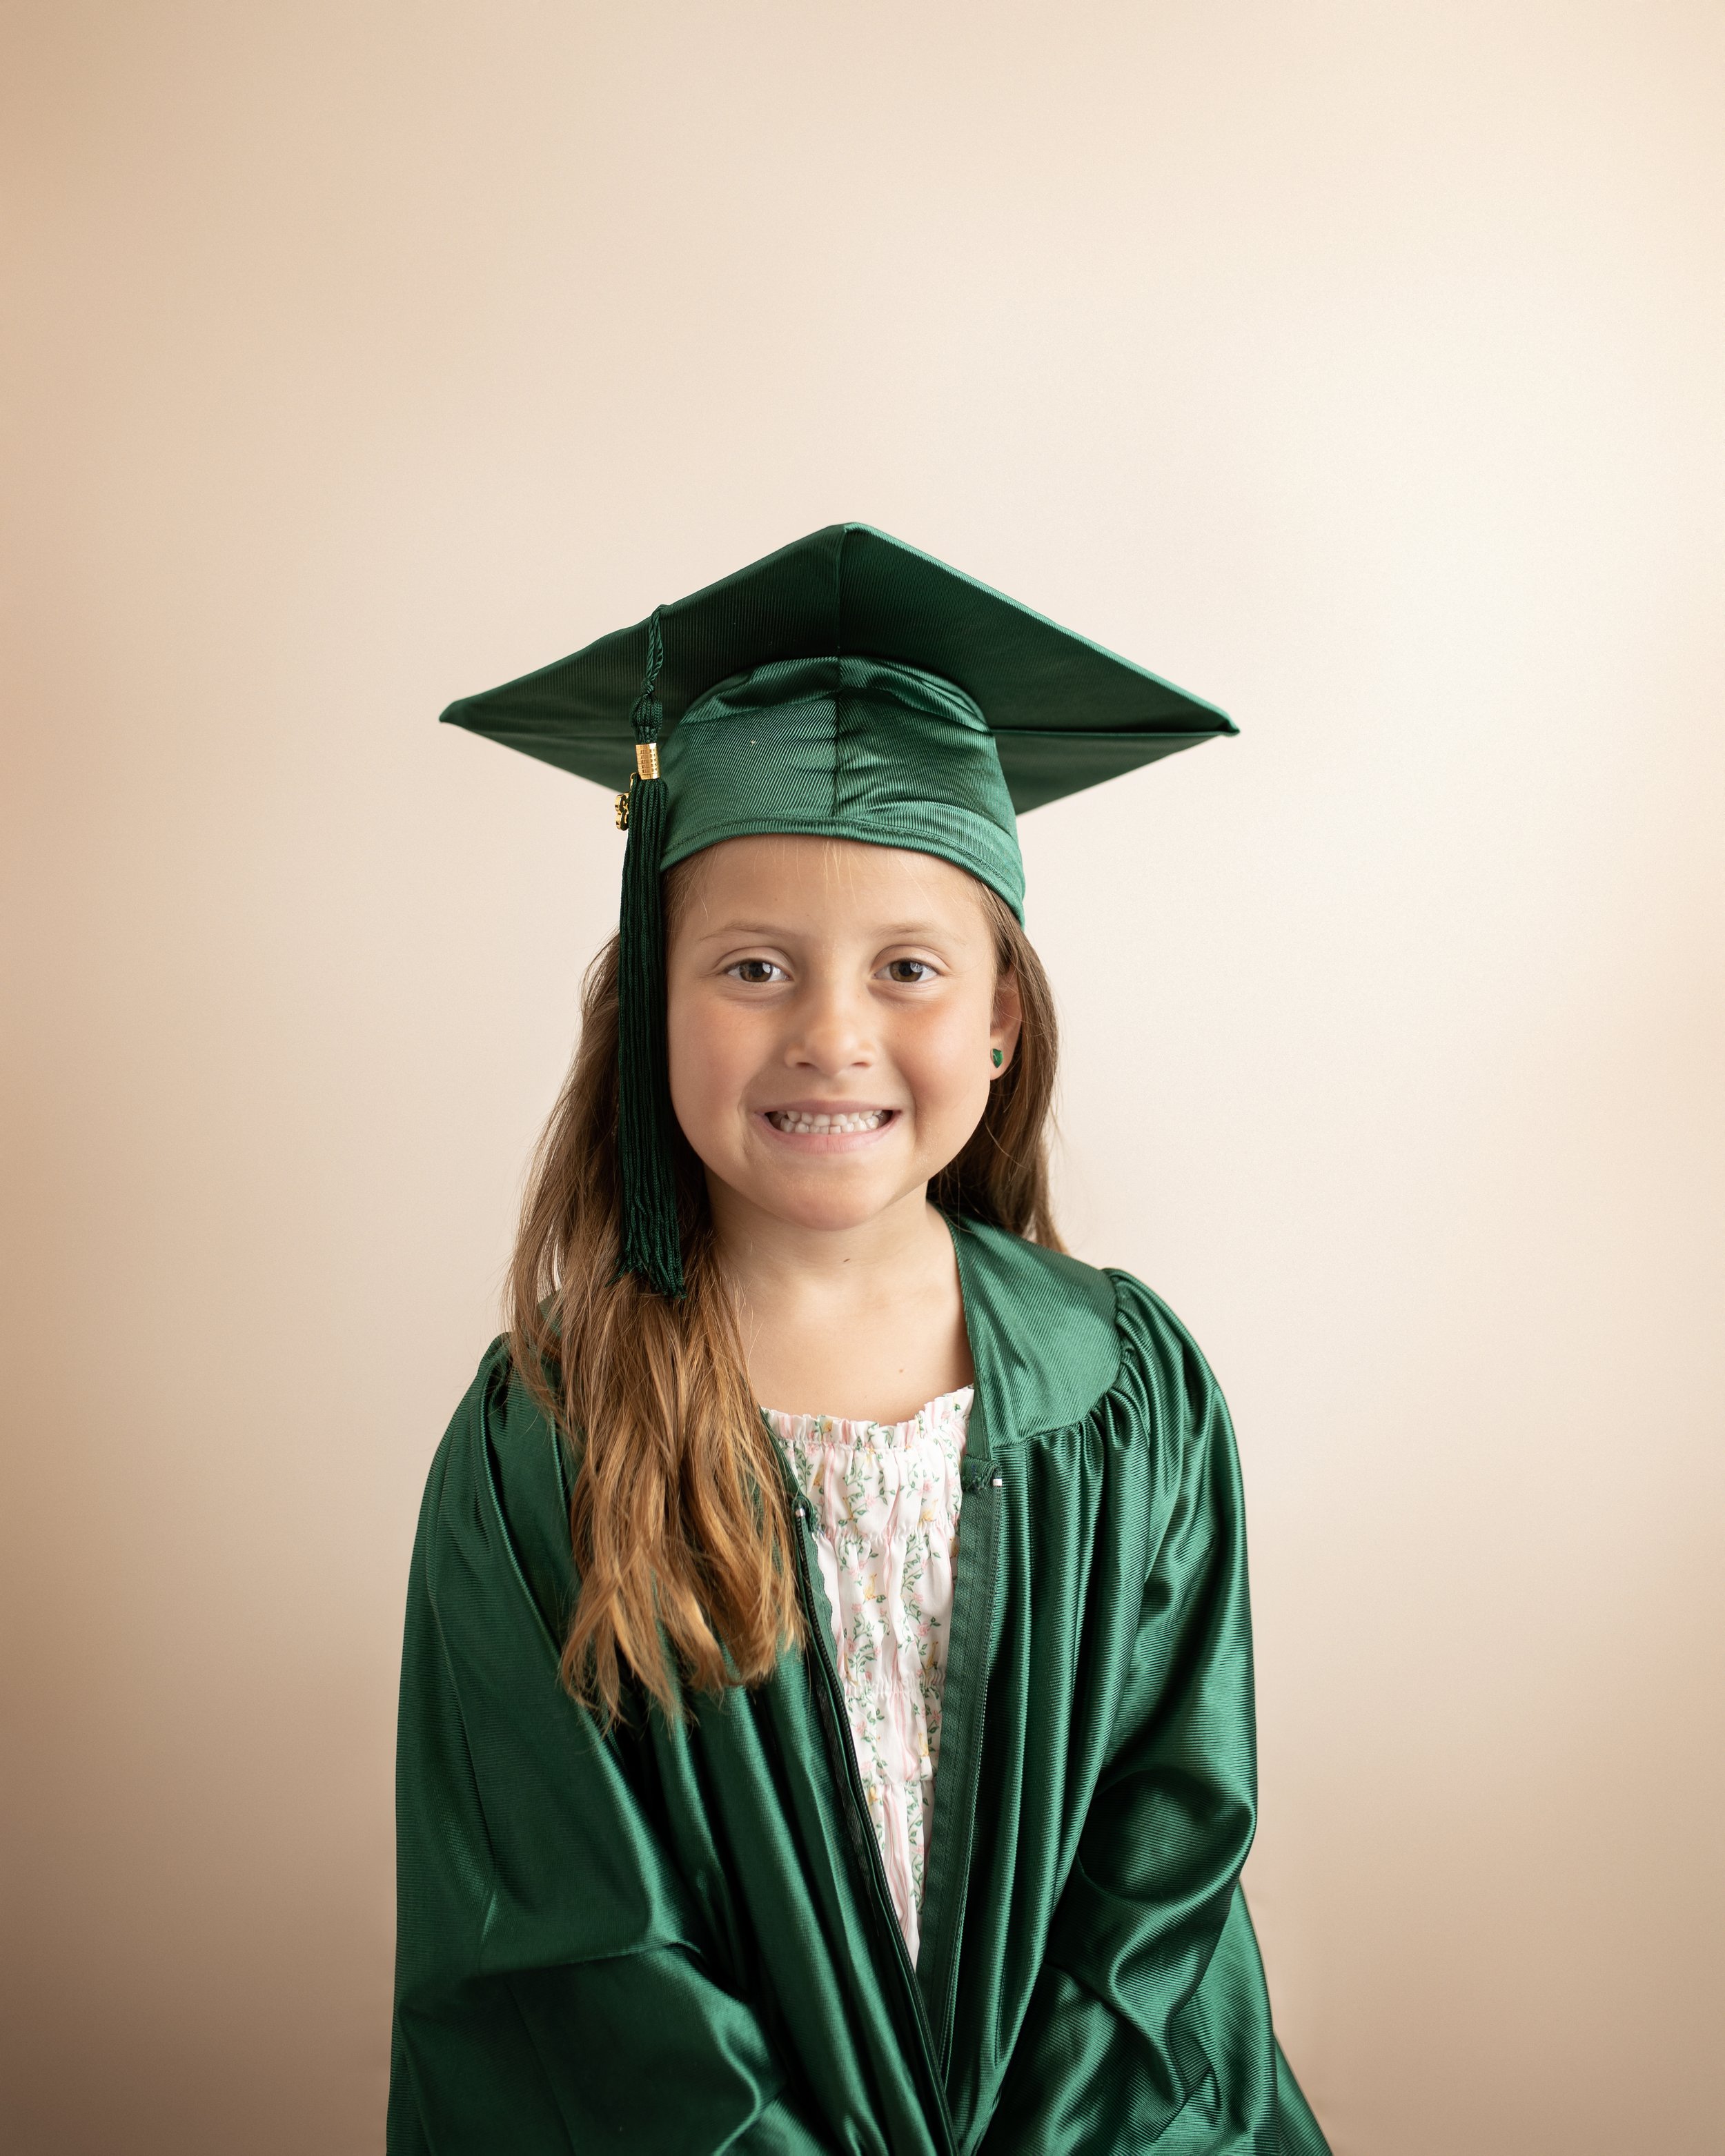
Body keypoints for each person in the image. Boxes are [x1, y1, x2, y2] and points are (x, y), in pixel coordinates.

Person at [388, 524, 1330, 2154]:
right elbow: (567, 1945)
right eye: (751, 967)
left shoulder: (1122, 1393)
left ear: (998, 1018)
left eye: (906, 967)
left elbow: (1162, 1873)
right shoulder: (547, 1431)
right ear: (649, 1006)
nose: (831, 1033)